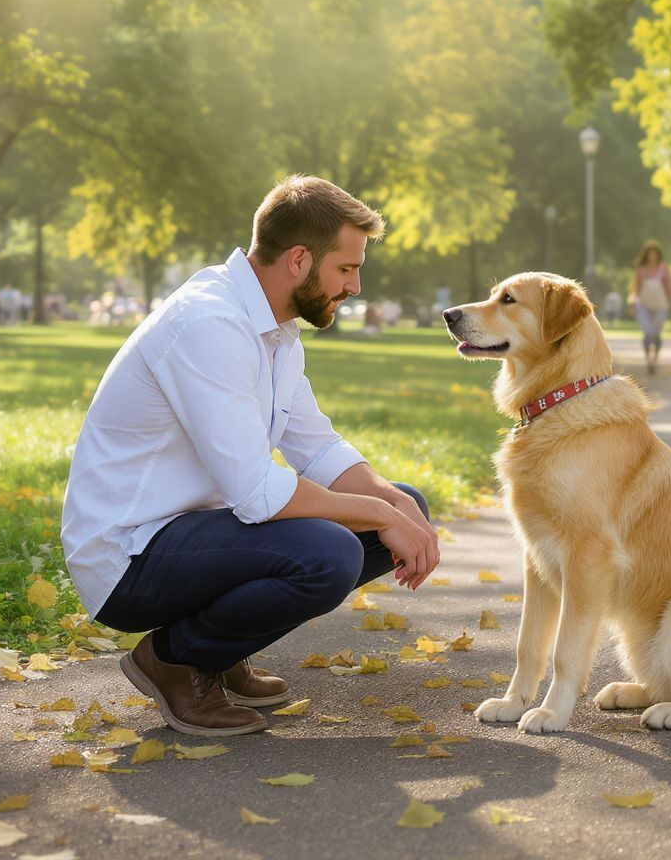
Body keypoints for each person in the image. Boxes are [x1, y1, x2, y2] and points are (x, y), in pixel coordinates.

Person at [61, 175, 440, 737]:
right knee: (330, 552)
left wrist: (393, 507)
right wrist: (381, 516)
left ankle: (218, 651)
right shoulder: (210, 324)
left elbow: (317, 446)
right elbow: (257, 492)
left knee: (405, 504)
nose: (355, 286)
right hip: (130, 555)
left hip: (196, 533)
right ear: (299, 259)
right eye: (346, 268)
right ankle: (176, 660)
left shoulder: (274, 330)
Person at [632, 239, 671, 374]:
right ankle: (648, 358)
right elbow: (636, 288)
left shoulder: (663, 268)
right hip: (643, 304)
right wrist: (632, 303)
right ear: (646, 254)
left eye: (654, 253)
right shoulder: (641, 269)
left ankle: (655, 356)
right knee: (648, 331)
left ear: (658, 254)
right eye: (650, 253)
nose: (652, 256)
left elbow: (668, 285)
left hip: (661, 305)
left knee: (656, 332)